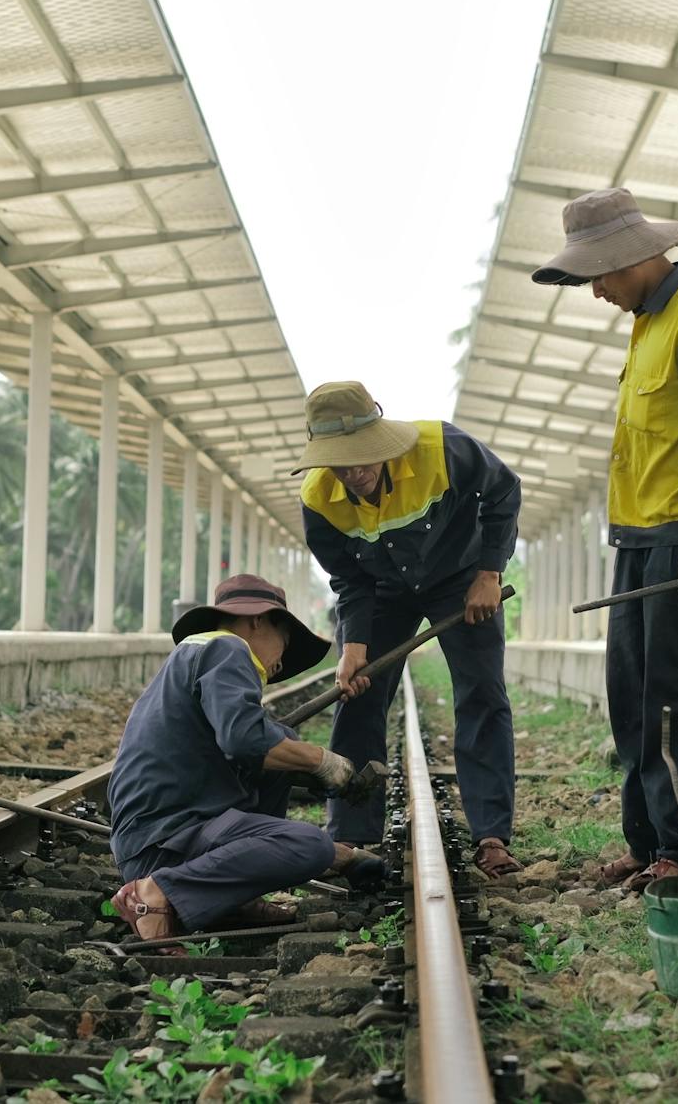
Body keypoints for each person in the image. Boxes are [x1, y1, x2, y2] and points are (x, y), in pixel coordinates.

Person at [531, 187, 678, 893]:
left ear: (638, 255)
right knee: (632, 699)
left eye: (601, 273)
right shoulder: (646, 321)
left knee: (677, 700)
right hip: (635, 539)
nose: (596, 290)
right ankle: (647, 840)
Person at [294, 380, 524, 879]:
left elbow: (504, 490)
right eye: (340, 462)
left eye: (362, 457)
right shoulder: (317, 501)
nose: (354, 472)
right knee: (358, 695)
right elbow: (350, 580)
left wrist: (489, 573)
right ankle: (351, 838)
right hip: (382, 593)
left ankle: (491, 836)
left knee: (482, 693)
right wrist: (353, 646)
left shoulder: (442, 448)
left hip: (462, 580)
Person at [108, 574, 381, 943]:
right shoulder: (227, 648)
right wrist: (322, 760)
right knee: (309, 843)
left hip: (161, 838)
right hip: (166, 844)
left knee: (282, 744)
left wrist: (301, 761)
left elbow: (255, 745)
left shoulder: (197, 653)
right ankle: (157, 892)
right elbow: (245, 740)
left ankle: (236, 898)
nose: (281, 663)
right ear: (258, 620)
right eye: (285, 643)